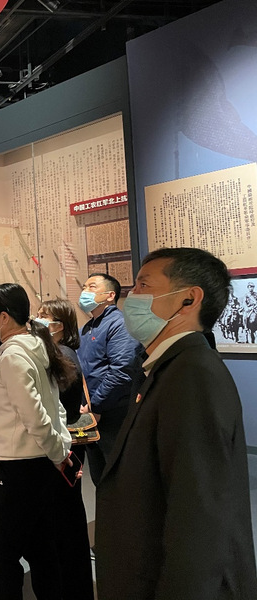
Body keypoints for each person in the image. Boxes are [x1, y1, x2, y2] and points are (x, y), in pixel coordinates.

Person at [95, 247, 257, 600]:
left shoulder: (192, 374)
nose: (131, 296)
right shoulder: (166, 367)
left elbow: (199, 514)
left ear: (188, 299)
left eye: (144, 285)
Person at [0, 283, 74, 600]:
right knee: (40, 548)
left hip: (19, 467)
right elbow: (55, 408)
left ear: (4, 317)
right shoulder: (36, 347)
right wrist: (60, 449)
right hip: (38, 465)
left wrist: (58, 452)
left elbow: (35, 416)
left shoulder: (14, 357)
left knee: (2, 556)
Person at [36, 298, 94, 600]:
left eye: (46, 316)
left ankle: (73, 586)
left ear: (61, 325)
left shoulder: (63, 355)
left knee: (66, 517)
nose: (39, 320)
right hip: (63, 442)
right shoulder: (54, 352)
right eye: (39, 314)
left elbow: (63, 406)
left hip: (66, 444)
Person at [76, 272, 142, 484]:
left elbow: (121, 372)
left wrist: (95, 405)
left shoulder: (119, 324)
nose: (85, 292)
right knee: (100, 478)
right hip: (90, 414)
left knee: (120, 478)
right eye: (84, 287)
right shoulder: (86, 328)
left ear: (110, 295)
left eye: (92, 287)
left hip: (114, 413)